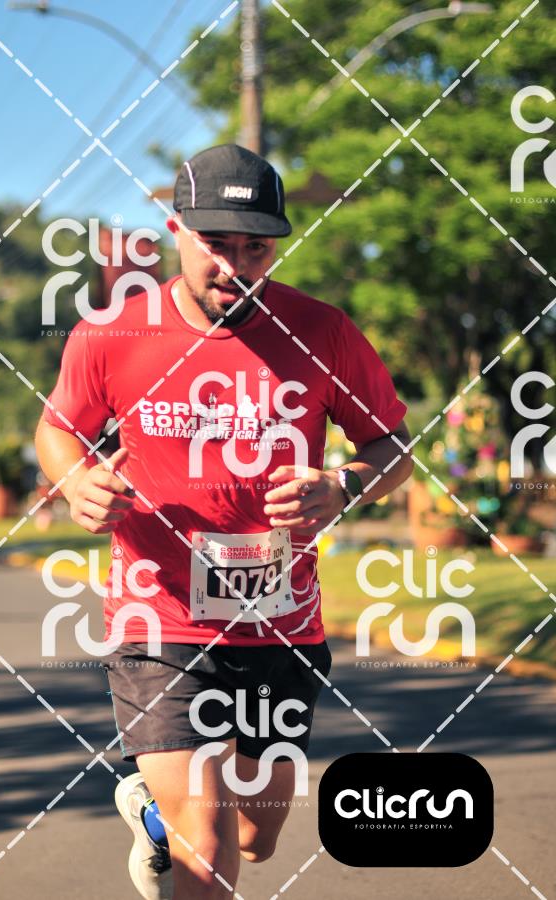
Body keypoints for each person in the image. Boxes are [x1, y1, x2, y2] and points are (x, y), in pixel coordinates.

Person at [35, 143, 413, 900]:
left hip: (281, 623)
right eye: (216, 244)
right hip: (159, 619)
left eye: (256, 248)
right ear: (177, 229)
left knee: (253, 838)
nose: (235, 265)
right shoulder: (113, 333)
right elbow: (57, 429)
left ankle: (150, 813)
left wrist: (344, 485)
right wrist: (76, 480)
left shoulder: (323, 332)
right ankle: (174, 821)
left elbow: (392, 446)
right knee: (207, 854)